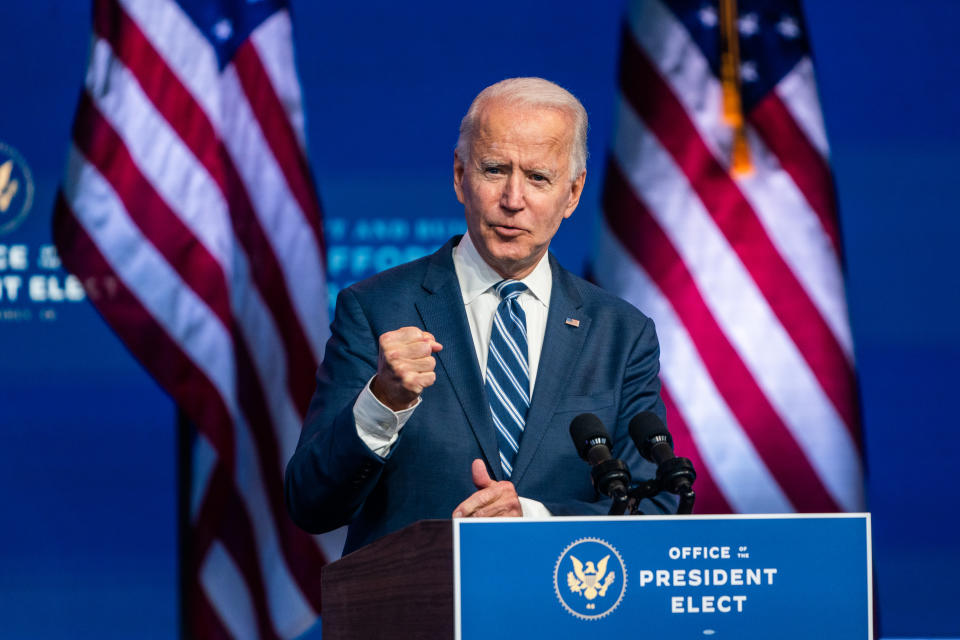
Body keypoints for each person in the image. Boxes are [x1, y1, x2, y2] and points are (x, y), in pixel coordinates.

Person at [285, 77, 675, 554]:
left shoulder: (621, 333)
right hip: (414, 613)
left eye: (538, 177)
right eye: (494, 170)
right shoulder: (375, 309)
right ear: (459, 175)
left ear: (572, 194)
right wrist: (381, 402)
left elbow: (656, 507)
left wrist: (532, 517)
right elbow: (310, 503)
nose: (513, 199)